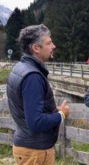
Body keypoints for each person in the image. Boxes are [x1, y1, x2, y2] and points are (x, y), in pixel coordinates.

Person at [7, 24, 70, 165]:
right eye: (49, 43)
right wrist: (61, 115)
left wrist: (53, 111)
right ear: (36, 48)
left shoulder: (20, 68)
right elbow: (36, 122)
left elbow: (28, 111)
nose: (54, 46)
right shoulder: (32, 77)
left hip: (28, 146)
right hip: (35, 151)